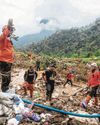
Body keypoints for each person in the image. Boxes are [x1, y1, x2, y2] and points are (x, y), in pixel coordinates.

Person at [0, 19, 15, 92]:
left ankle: (6, 89)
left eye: (12, 30)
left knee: (8, 76)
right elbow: (5, 34)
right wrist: (8, 27)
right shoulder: (2, 38)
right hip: (4, 61)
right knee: (5, 76)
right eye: (10, 30)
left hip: (8, 61)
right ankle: (4, 90)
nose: (11, 32)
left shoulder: (8, 40)